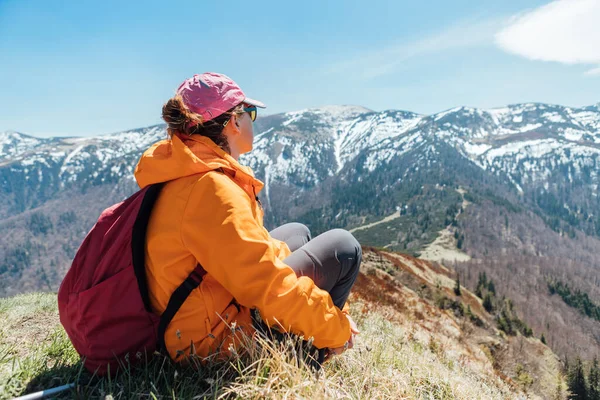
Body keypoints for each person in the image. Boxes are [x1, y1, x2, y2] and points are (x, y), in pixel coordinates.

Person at [134, 72, 361, 365]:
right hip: (207, 339)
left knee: (296, 232)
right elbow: (268, 285)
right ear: (234, 122)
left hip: (191, 310)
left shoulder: (186, 173)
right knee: (344, 247)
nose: (253, 120)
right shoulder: (211, 190)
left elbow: (253, 254)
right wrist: (336, 326)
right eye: (250, 112)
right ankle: (309, 355)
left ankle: (307, 331)